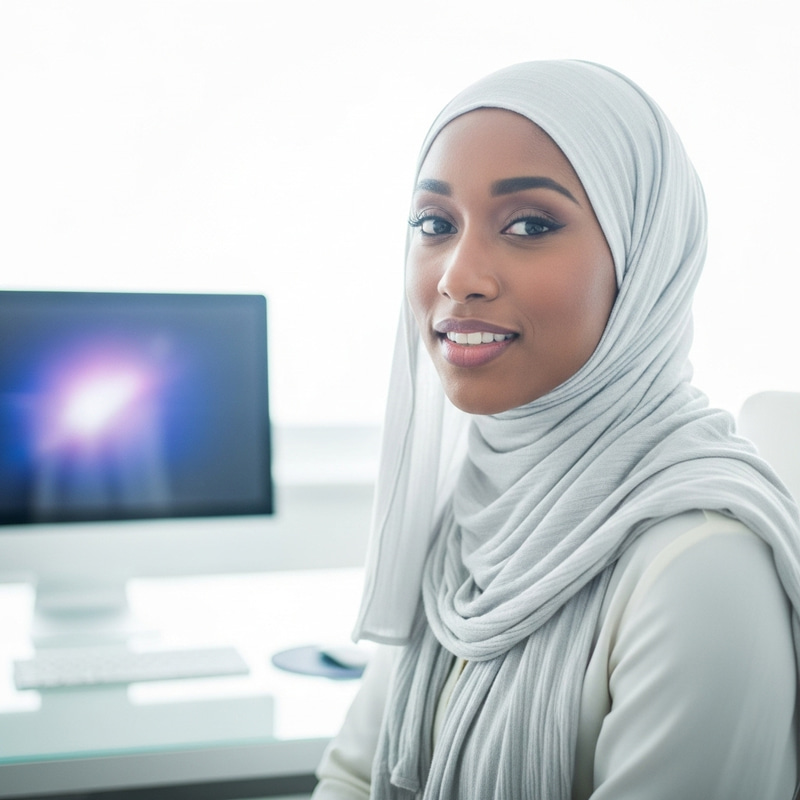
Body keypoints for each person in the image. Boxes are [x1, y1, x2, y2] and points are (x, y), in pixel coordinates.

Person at [312, 61, 800, 799]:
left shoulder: (704, 568)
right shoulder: (470, 518)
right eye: (434, 225)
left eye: (530, 225)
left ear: (643, 262)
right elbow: (352, 777)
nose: (458, 276)